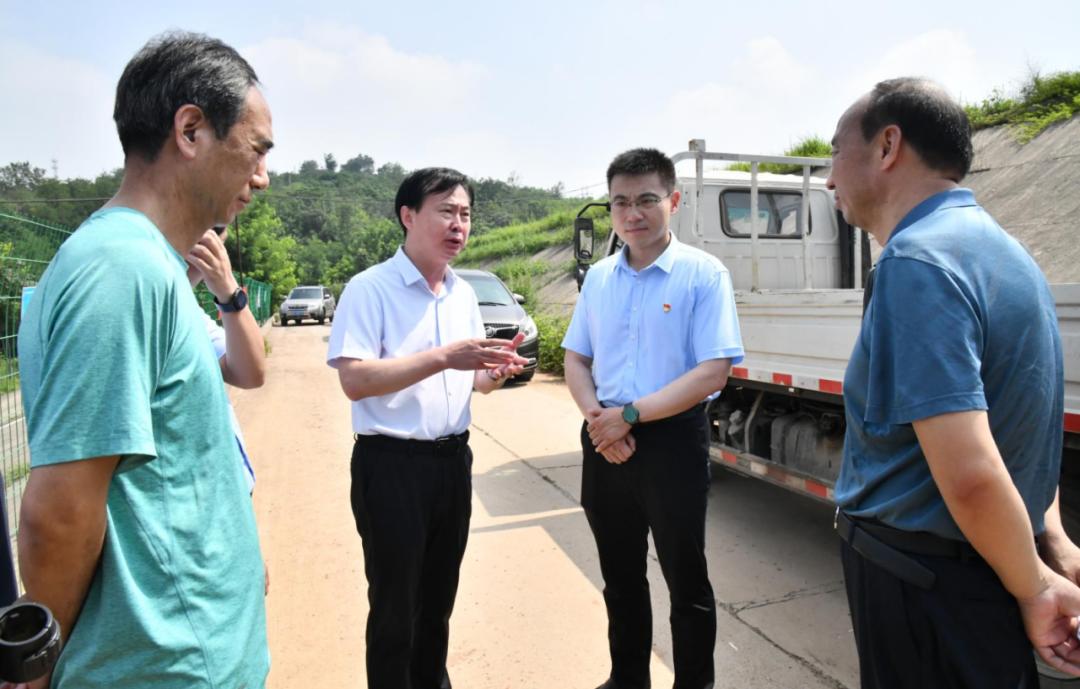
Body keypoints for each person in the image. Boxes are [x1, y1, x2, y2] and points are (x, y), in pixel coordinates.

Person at [15, 31, 273, 689]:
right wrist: (40, 665)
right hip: (160, 667)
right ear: (191, 129)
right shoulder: (121, 270)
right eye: (257, 149)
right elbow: (60, 512)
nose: (263, 177)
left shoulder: (150, 269)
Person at [830, 77, 1080, 688]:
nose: (830, 179)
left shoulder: (916, 262)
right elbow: (1022, 422)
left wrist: (1037, 586)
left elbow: (970, 473)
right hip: (970, 572)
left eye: (835, 153)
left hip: (923, 584)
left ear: (888, 146)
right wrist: (1048, 542)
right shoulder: (1006, 252)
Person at [326, 167, 527, 689]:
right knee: (395, 609)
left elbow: (473, 383)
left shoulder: (462, 294)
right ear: (408, 215)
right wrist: (442, 357)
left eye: (465, 214)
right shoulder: (370, 289)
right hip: (392, 467)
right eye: (446, 211)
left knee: (438, 601)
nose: (458, 224)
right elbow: (355, 379)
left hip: (451, 464)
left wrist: (494, 373)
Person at [562, 148, 745, 689]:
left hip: (671, 442)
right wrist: (600, 419)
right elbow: (576, 357)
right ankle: (627, 680)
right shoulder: (599, 278)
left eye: (646, 199)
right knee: (620, 577)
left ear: (674, 201)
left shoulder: (703, 274)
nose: (632, 212)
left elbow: (713, 371)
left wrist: (631, 416)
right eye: (620, 202)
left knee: (686, 580)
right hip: (604, 439)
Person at [186, 226, 266, 495]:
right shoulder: (132, 302)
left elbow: (251, 373)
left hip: (229, 491)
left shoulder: (190, 314)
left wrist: (228, 291)